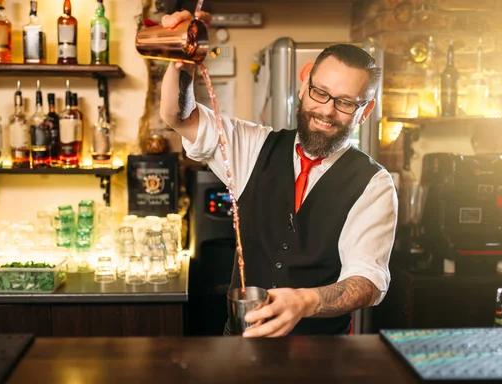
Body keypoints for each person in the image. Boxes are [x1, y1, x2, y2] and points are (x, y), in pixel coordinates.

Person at [160, 10, 398, 337]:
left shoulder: (374, 184)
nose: (327, 110)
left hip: (322, 358)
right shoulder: (254, 145)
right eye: (320, 93)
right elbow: (179, 116)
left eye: (345, 103)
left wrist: (306, 301)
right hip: (241, 344)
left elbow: (367, 281)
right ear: (304, 87)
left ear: (365, 112)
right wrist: (182, 63)